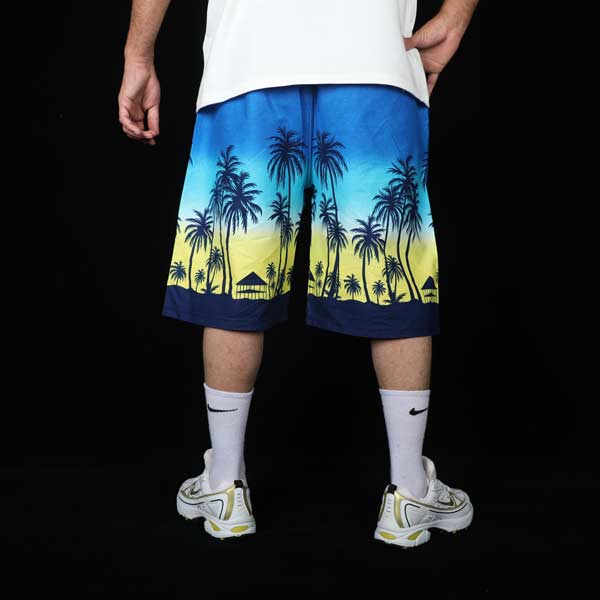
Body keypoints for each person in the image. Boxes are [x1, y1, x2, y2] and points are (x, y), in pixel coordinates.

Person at [119, 0, 479, 548]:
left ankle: (224, 487)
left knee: (236, 266)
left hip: (249, 59)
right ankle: (408, 494)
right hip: (372, 56)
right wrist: (456, 14)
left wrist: (138, 54)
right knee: (389, 271)